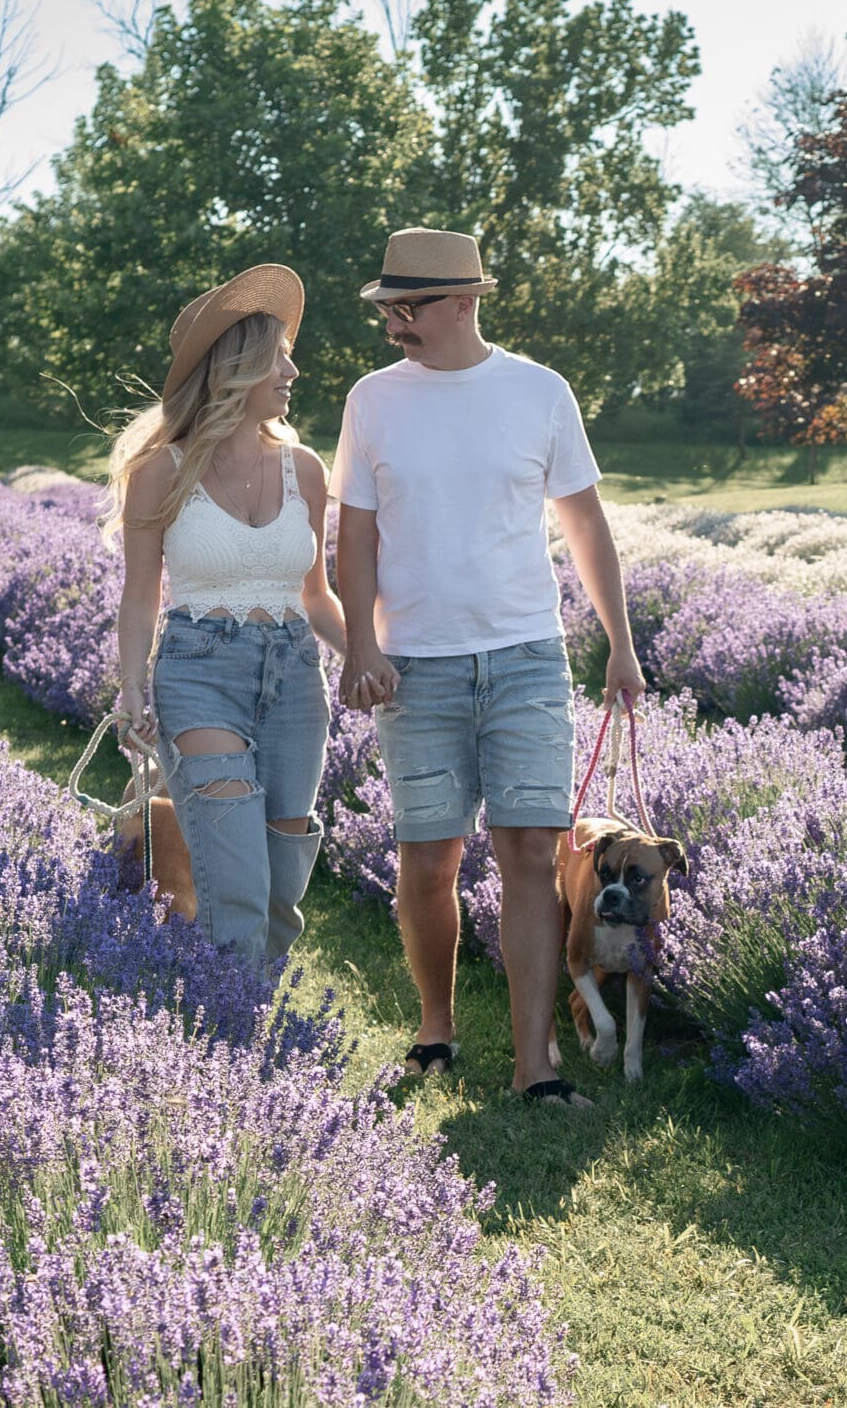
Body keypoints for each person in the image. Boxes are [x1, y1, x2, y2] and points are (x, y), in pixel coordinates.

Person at [333, 228, 644, 1108]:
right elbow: (353, 531)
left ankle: (535, 1066)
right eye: (388, 308)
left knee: (532, 856)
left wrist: (619, 642)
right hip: (414, 666)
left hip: (525, 659)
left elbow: (586, 524)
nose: (395, 323)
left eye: (410, 307)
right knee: (428, 859)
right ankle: (437, 1025)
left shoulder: (538, 392)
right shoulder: (372, 400)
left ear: (464, 302)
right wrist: (361, 641)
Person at [109, 263, 362, 965]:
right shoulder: (162, 470)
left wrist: (367, 660)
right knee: (239, 883)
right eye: (277, 355)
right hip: (199, 675)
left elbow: (316, 596)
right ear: (235, 367)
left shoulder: (305, 469)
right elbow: (139, 597)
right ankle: (233, 1037)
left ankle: (244, 1014)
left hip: (294, 677)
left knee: (282, 886)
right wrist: (131, 690)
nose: (293, 369)